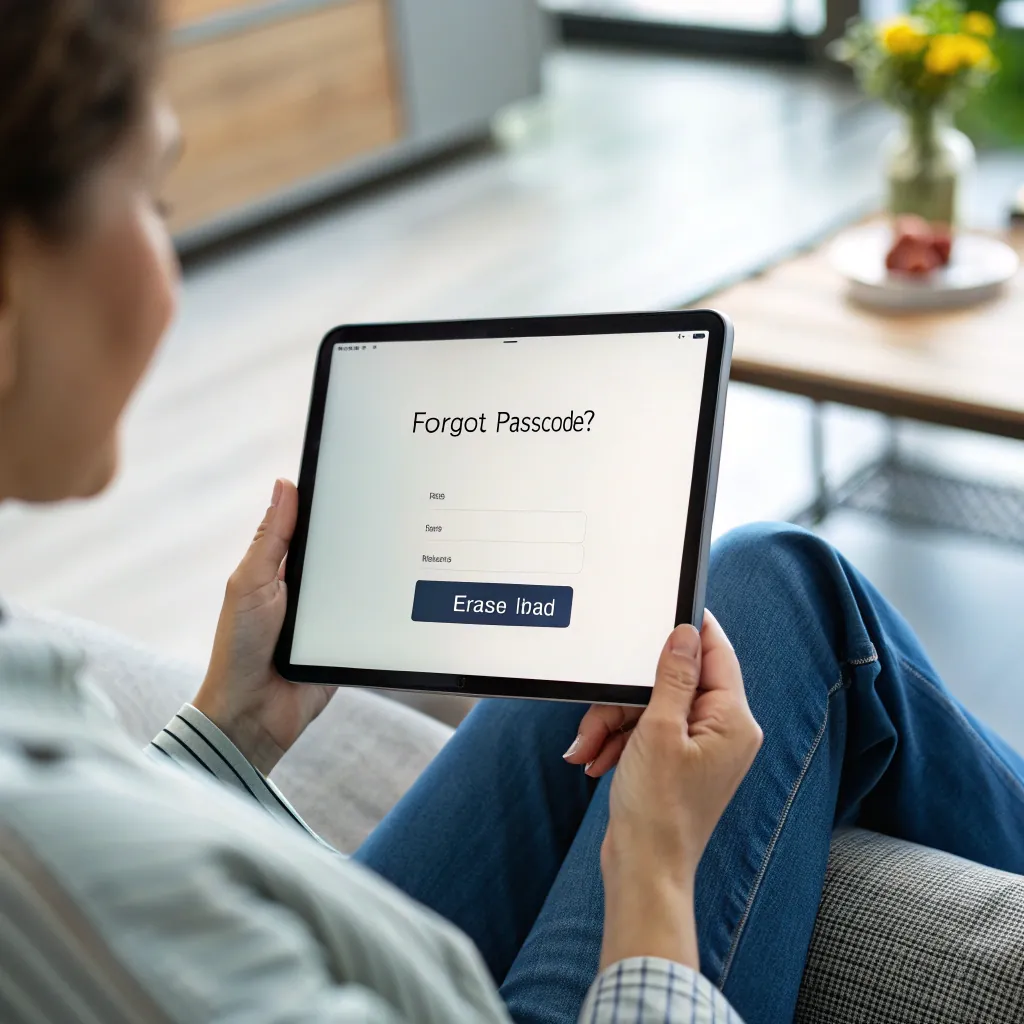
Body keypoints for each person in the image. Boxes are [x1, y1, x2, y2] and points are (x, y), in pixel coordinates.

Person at [1, 3, 1023, 1023]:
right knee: (781, 586)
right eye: (153, 200)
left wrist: (229, 727)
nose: (168, 268)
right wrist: (655, 877)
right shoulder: (44, 855)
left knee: (655, 620)